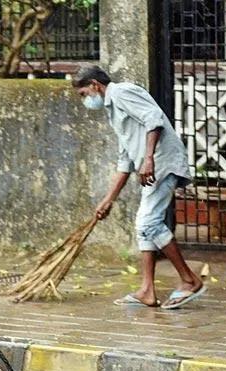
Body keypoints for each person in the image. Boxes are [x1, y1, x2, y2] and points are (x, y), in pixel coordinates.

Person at [73, 64, 206, 309]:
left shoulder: (122, 92)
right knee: (143, 226)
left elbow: (154, 119)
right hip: (152, 166)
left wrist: (148, 158)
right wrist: (108, 199)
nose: (85, 101)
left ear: (94, 85)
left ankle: (189, 280)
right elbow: (125, 160)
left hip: (161, 162)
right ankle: (147, 290)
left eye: (84, 94)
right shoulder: (113, 111)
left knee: (149, 224)